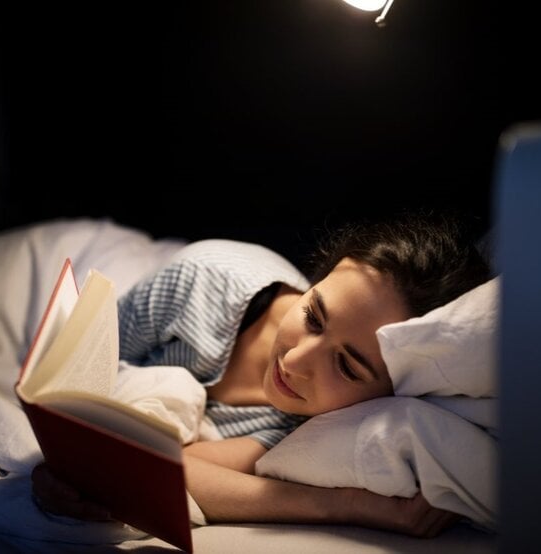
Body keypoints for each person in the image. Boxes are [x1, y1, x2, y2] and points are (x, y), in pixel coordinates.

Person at [31, 210, 492, 538]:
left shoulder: (315, 429)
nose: (294, 363)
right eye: (313, 315)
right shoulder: (204, 278)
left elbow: (164, 470)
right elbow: (81, 358)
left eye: (347, 365)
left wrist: (355, 506)